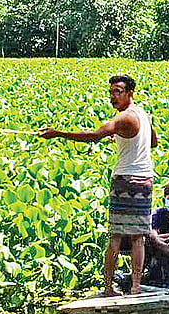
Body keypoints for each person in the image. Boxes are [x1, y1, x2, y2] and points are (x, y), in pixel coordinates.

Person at [39, 74, 157, 296]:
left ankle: (108, 289)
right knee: (138, 236)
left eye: (118, 92)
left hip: (125, 180)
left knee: (115, 236)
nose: (113, 96)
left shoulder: (124, 118)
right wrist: (122, 138)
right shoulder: (143, 114)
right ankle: (136, 288)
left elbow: (93, 136)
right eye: (111, 92)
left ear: (129, 93)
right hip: (145, 179)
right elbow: (153, 142)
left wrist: (58, 134)